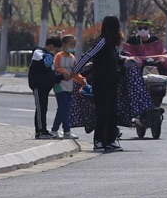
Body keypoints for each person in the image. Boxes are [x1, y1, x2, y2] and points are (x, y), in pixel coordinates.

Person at [81, 14, 127, 153]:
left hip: (112, 81)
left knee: (112, 112)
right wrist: (75, 71)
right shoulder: (102, 41)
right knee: (103, 112)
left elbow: (114, 59)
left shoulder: (113, 43)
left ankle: (111, 140)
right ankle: (99, 140)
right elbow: (89, 55)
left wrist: (126, 60)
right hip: (101, 82)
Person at [26, 37, 59, 139]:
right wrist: (51, 54)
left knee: (44, 108)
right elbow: (45, 65)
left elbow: (51, 72)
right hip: (38, 85)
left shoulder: (48, 55)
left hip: (46, 87)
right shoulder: (38, 53)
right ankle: (40, 131)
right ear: (51, 47)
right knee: (40, 108)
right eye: (56, 49)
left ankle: (43, 129)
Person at [51, 37, 82, 138]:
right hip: (59, 86)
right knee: (65, 108)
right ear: (63, 44)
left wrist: (82, 80)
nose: (72, 47)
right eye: (70, 44)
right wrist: (64, 73)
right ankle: (67, 131)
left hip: (69, 86)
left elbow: (75, 72)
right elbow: (56, 67)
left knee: (62, 109)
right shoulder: (58, 56)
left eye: (73, 45)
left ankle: (54, 130)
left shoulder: (73, 58)